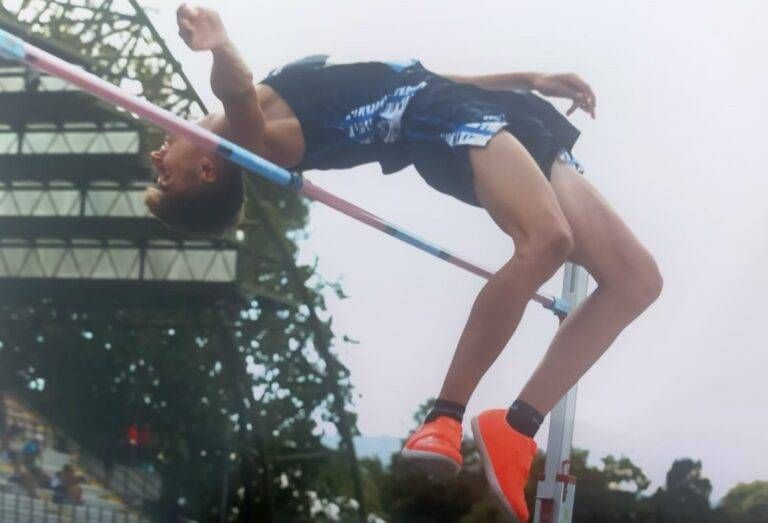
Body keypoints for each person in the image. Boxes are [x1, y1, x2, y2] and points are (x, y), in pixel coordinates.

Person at [146, 4, 662, 521]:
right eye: (166, 177)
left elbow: (418, 77)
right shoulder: (260, 142)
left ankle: (517, 427)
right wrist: (218, 44)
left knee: (636, 281)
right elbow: (236, 92)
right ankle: (446, 418)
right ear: (209, 170)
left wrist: (529, 78)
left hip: (472, 105)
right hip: (438, 122)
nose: (155, 158)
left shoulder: (278, 95)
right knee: (547, 240)